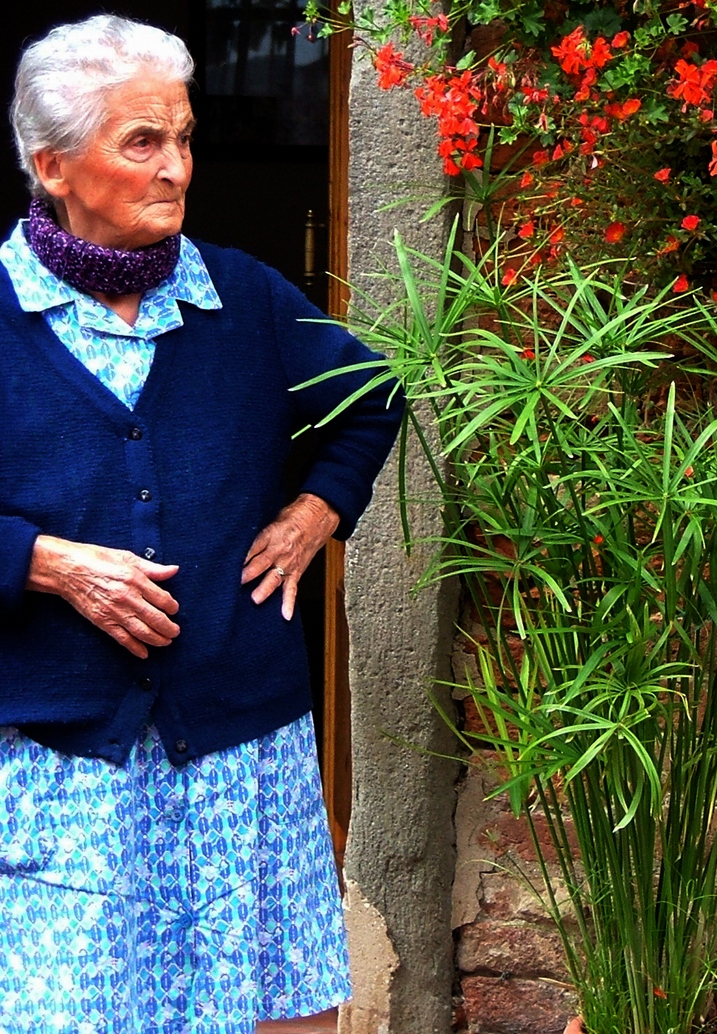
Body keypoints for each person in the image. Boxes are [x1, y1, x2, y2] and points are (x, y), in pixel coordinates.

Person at [0, 14, 402, 1034]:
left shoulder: (241, 296)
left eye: (183, 138)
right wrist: (39, 560)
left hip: (236, 739)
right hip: (59, 750)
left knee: (276, 1011)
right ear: (53, 165)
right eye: (142, 141)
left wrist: (317, 510)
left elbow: (371, 389)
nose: (177, 167)